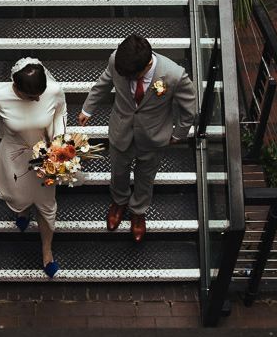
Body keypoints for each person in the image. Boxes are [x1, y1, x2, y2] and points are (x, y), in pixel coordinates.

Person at [78, 35, 197, 242]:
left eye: (131, 76)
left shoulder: (174, 75)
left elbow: (190, 109)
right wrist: (88, 109)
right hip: (121, 130)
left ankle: (138, 211)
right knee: (118, 171)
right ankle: (119, 201)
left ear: (147, 64)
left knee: (146, 176)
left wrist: (179, 133)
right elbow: (103, 84)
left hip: (153, 137)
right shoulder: (117, 60)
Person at [0, 57, 67, 277]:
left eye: (39, 96)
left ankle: (46, 251)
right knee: (17, 196)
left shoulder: (54, 91)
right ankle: (23, 209)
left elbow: (61, 113)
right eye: (30, 96)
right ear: (16, 86)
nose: (36, 100)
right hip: (14, 154)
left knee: (46, 205)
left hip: (43, 158)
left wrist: (59, 143)